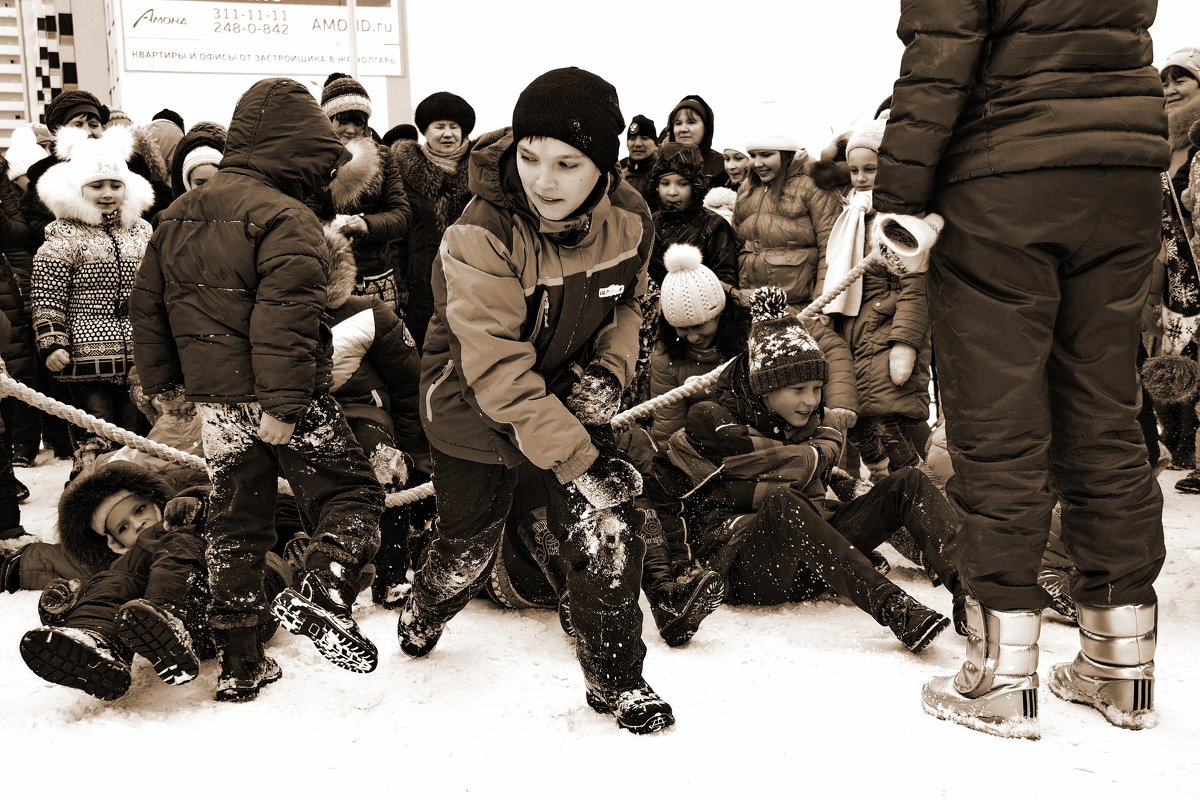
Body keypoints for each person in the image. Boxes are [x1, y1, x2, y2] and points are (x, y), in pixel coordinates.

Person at [875, 0, 1168, 738]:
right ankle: (1121, 662)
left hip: (1004, 177)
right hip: (1123, 171)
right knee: (1104, 411)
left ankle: (1000, 673)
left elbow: (941, 55)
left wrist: (899, 201)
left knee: (998, 420)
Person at [400, 67, 673, 734]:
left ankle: (617, 677)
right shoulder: (481, 231)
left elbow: (628, 306)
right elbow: (496, 368)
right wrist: (581, 457)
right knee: (467, 546)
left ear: (603, 166)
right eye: (528, 156)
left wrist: (608, 374)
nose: (542, 179)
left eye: (566, 163)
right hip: (470, 400)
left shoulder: (632, 220)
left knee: (606, 529)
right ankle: (425, 608)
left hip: (564, 394)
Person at [130, 77, 385, 698]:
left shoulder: (177, 214)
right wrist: (284, 404)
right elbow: (284, 320)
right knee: (352, 496)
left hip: (216, 406)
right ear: (297, 149)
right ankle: (325, 588)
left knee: (237, 525)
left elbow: (149, 305)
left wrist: (165, 385)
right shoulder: (287, 218)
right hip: (278, 397)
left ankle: (241, 662)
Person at [661, 286, 963, 651]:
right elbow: (668, 500)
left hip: (815, 557)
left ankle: (971, 593)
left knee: (907, 482)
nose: (811, 400)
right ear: (764, 389)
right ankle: (894, 607)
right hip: (747, 567)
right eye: (798, 389)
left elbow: (832, 484)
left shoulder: (819, 426)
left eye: (818, 387)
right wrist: (675, 577)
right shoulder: (714, 427)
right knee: (784, 502)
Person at [17, 460, 292, 702]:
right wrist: (69, 603)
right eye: (123, 527)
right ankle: (98, 641)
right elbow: (100, 583)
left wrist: (197, 501)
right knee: (113, 579)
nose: (136, 524)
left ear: (157, 502)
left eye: (139, 510)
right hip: (183, 631)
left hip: (247, 607)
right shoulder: (126, 563)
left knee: (176, 541)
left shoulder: (189, 521)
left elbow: (234, 505)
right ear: (113, 542)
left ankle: (168, 616)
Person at [31, 125, 153, 477]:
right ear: (79, 189)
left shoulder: (142, 232)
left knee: (134, 435)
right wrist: (53, 341)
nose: (107, 193)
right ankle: (87, 489)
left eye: (115, 185)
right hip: (86, 355)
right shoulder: (63, 234)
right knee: (96, 434)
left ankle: (131, 491)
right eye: (96, 185)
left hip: (136, 353)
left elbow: (155, 289)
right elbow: (46, 293)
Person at [823, 116, 932, 480]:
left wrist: (905, 342)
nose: (860, 178)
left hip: (886, 330)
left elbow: (914, 284)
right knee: (858, 421)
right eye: (854, 170)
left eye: (870, 169)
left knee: (888, 417)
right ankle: (884, 483)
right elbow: (838, 272)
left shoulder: (899, 219)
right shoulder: (853, 214)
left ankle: (916, 485)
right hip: (855, 329)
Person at [22, 91, 170, 250]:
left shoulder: (131, 165)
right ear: (59, 131)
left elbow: (160, 205)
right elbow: (32, 227)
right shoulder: (44, 173)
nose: (88, 131)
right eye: (78, 125)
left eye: (93, 125)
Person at [317, 73, 412, 316]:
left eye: (358, 122)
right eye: (342, 121)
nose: (351, 130)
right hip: (325, 275)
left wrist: (367, 224)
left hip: (375, 276)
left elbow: (401, 215)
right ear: (327, 119)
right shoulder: (310, 160)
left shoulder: (382, 158)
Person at [1150, 47, 1200, 493]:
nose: (1169, 89)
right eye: (1163, 82)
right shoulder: (1158, 149)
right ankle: (1182, 447)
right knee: (1175, 370)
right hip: (1175, 279)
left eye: (1181, 79)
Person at [391, 90, 476, 350]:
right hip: (422, 285)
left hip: (474, 281)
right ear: (425, 132)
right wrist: (400, 289)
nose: (447, 133)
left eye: (454, 127)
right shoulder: (403, 171)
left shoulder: (481, 172)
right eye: (439, 127)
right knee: (427, 351)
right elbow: (397, 237)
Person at [734, 130, 840, 309]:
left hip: (800, 304)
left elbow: (830, 247)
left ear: (786, 155)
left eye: (766, 155)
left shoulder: (812, 185)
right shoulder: (747, 188)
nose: (757, 163)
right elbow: (736, 243)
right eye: (752, 156)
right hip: (753, 302)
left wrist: (821, 303)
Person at [665, 95, 728, 188]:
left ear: (706, 127)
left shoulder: (723, 166)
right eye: (678, 123)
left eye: (691, 122)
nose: (683, 129)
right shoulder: (663, 164)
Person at [619, 114, 659, 207]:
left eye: (644, 138)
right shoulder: (618, 176)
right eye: (632, 138)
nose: (637, 144)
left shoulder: (663, 176)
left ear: (656, 144)